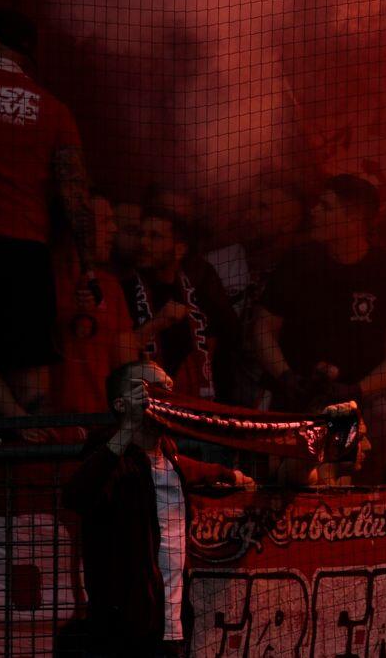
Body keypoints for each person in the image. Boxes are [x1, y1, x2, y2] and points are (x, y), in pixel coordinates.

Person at [61, 361, 252, 656]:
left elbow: (197, 469)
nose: (165, 395)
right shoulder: (109, 458)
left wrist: (232, 476)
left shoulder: (170, 457)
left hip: (171, 626)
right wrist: (128, 429)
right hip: (124, 631)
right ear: (121, 404)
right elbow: (76, 496)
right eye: (153, 388)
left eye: (169, 389)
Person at [252, 174, 386, 482]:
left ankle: (360, 491)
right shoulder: (299, 262)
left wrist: (357, 390)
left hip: (349, 402)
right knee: (288, 478)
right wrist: (285, 375)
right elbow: (262, 329)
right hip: (295, 394)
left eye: (326, 207)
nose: (314, 212)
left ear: (354, 219)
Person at [0, 8, 93, 420]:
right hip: (28, 257)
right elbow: (76, 196)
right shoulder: (55, 110)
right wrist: (88, 267)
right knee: (33, 379)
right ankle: (29, 436)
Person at [124, 203, 239, 406]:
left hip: (201, 408)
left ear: (179, 249)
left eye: (155, 237)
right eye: (141, 234)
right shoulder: (127, 289)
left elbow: (228, 342)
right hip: (145, 406)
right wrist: (157, 323)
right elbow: (117, 350)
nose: (143, 242)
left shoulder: (200, 287)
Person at [51, 194, 139, 417]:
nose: (113, 230)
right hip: (55, 423)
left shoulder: (109, 286)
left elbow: (127, 365)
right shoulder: (47, 278)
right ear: (80, 227)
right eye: (105, 221)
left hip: (104, 421)